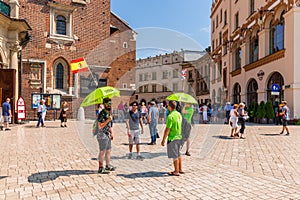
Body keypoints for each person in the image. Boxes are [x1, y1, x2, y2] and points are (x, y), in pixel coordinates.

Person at [161, 101, 183, 176]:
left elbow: (167, 129)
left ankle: (176, 171)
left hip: (172, 138)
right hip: (179, 136)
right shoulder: (179, 114)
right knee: (178, 153)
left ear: (169, 107)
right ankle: (180, 169)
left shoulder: (170, 116)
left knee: (174, 155)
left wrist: (163, 140)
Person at [96, 98, 115, 173]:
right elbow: (100, 125)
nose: (109, 105)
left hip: (107, 134)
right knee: (102, 151)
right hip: (102, 135)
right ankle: (100, 167)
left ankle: (107, 165)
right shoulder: (102, 113)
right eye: (108, 103)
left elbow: (110, 125)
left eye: (110, 103)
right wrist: (108, 120)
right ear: (104, 104)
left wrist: (112, 133)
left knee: (108, 150)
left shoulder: (109, 113)